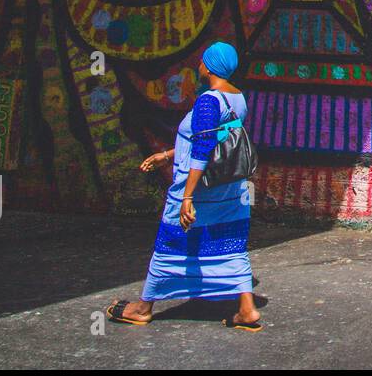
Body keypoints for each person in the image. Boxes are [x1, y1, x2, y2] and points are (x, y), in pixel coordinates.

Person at [106, 41, 261, 331]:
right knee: (232, 244)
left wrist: (187, 197)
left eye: (203, 61)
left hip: (200, 190)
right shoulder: (237, 98)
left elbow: (202, 150)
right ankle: (247, 309)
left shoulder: (209, 101)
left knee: (170, 243)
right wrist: (166, 155)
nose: (199, 64)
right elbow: (216, 141)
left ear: (211, 67)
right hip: (229, 191)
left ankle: (143, 308)